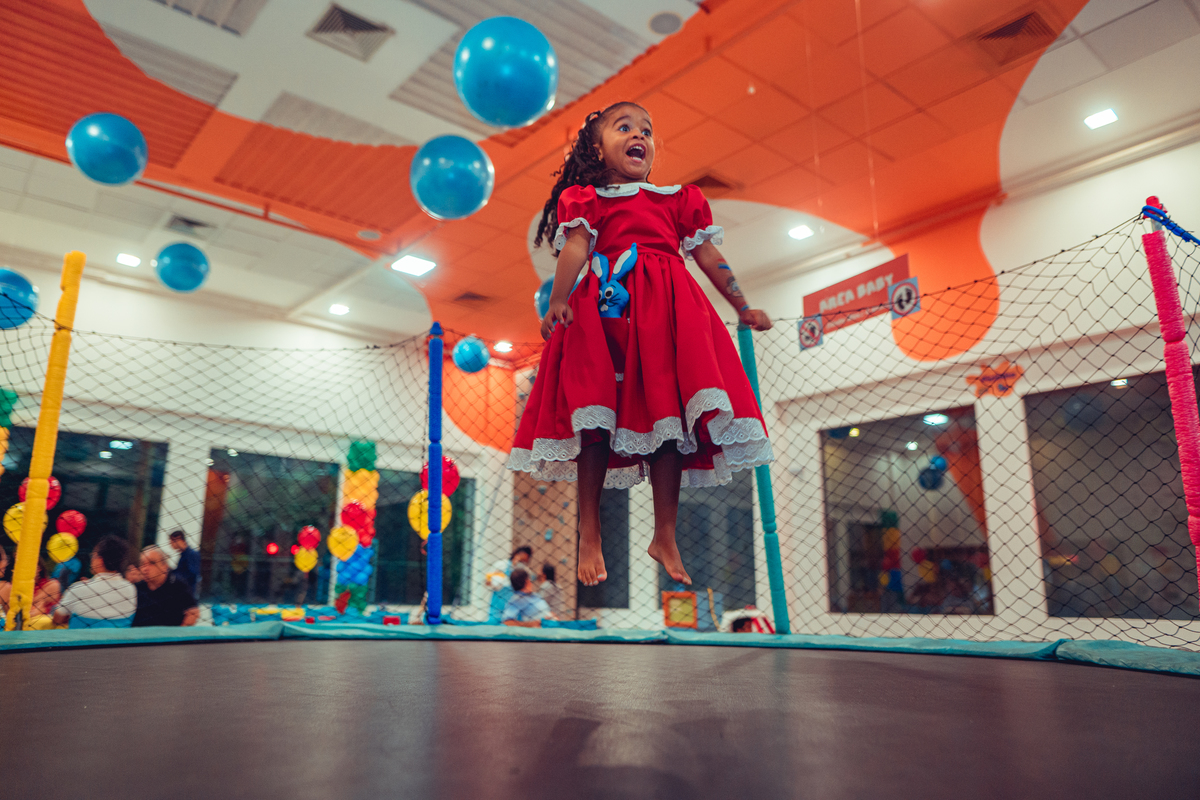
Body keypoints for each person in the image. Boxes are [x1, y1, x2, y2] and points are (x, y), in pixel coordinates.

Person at [508, 101, 774, 588]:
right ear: (596, 145)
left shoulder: (678, 200)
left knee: (670, 424)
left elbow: (710, 255)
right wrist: (559, 301)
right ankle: (590, 529)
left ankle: (664, 533)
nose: (640, 136)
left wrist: (741, 306)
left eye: (647, 130)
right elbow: (575, 248)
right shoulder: (589, 199)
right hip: (605, 315)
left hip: (666, 320)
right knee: (595, 420)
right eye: (625, 127)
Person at [53, 536, 137, 629]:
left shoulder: (78, 589)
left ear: (100, 560)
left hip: (81, 642)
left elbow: (57, 619)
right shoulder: (131, 589)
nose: (91, 559)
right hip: (117, 642)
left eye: (93, 555)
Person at [130, 546, 199, 627]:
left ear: (164, 566)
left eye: (152, 563)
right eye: (142, 564)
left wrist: (179, 633)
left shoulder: (177, 585)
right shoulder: (137, 587)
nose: (145, 568)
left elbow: (194, 612)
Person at [487, 545, 534, 622]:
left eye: (524, 561)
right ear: (516, 554)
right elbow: (487, 582)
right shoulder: (500, 565)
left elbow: (528, 590)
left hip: (515, 610)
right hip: (497, 608)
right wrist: (497, 581)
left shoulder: (526, 571)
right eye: (521, 559)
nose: (521, 562)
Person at [169, 530, 201, 595]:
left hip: (188, 591)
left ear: (178, 539)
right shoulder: (184, 554)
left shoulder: (192, 554)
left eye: (172, 542)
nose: (171, 545)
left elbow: (192, 574)